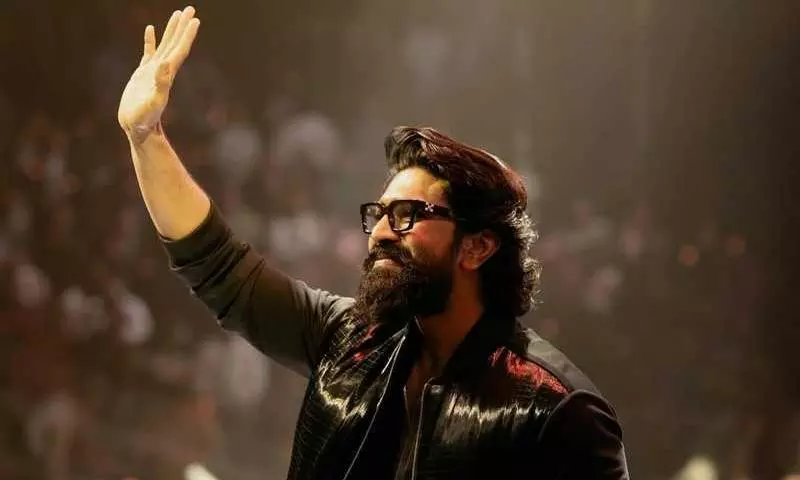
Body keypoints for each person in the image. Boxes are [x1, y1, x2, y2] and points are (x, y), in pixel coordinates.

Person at [117, 6, 630, 479]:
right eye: (379, 214)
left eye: (407, 215)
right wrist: (146, 138)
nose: (382, 232)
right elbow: (220, 267)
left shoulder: (555, 409)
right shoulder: (347, 340)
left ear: (478, 246)